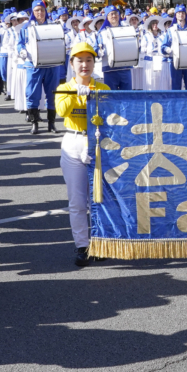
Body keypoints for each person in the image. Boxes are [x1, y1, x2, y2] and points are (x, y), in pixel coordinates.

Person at [55, 42, 109, 266]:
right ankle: (82, 245)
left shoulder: (103, 88)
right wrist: (76, 90)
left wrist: (93, 97)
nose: (84, 65)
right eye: (80, 60)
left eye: (89, 60)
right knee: (77, 201)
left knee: (100, 198)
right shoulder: (63, 88)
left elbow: (112, 117)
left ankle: (102, 242)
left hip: (97, 143)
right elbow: (61, 111)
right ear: (72, 63)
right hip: (73, 142)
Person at [20, 1, 61, 133]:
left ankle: (51, 123)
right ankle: (34, 123)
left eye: (42, 10)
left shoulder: (53, 26)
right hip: (34, 65)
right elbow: (20, 43)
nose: (40, 13)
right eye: (37, 10)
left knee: (52, 93)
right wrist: (22, 51)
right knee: (33, 93)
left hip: (51, 64)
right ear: (33, 12)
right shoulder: (26, 27)